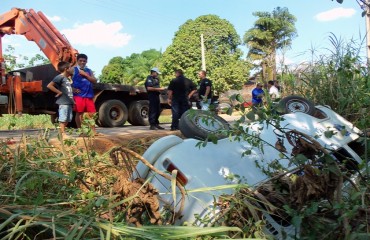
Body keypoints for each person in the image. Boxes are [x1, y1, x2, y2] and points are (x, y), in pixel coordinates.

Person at [71, 53, 98, 135]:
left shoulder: (88, 71)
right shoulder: (73, 69)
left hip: (89, 95)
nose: (82, 62)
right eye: (80, 60)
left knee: (92, 114)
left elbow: (94, 81)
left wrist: (85, 75)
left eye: (84, 61)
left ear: (87, 61)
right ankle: (81, 132)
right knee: (79, 113)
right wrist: (72, 89)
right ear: (77, 61)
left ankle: (93, 131)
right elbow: (63, 81)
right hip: (78, 96)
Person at [47, 61, 74, 137]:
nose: (72, 69)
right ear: (66, 69)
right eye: (70, 67)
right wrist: (59, 92)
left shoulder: (66, 78)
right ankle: (62, 134)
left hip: (69, 102)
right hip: (63, 102)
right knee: (63, 118)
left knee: (68, 118)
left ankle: (63, 132)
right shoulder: (60, 77)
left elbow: (68, 90)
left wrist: (73, 101)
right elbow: (49, 85)